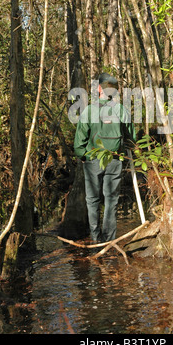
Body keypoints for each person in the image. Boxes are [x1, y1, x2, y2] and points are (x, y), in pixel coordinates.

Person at [74, 73, 136, 243]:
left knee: (92, 200)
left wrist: (83, 156)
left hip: (93, 159)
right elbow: (131, 138)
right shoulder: (122, 110)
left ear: (99, 88)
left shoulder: (89, 110)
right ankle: (109, 240)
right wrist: (125, 152)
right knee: (111, 200)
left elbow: (79, 141)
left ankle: (96, 238)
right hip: (115, 160)